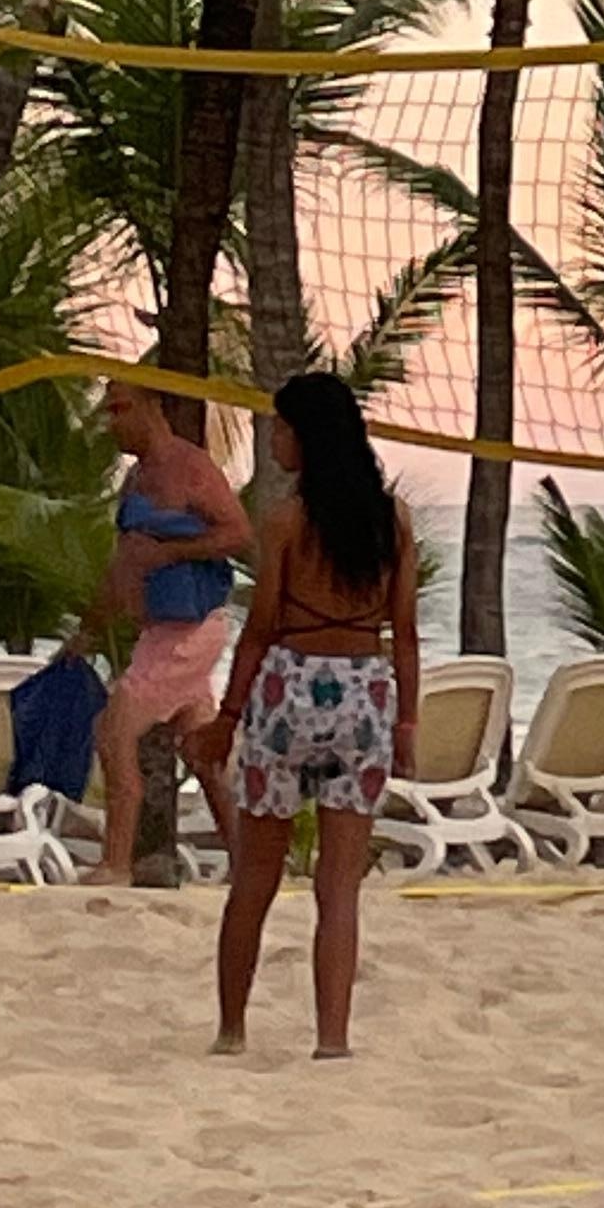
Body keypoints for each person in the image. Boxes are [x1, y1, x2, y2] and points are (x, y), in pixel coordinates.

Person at [201, 372, 420, 1057]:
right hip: (364, 695)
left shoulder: (286, 520)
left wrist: (226, 717)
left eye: (282, 430)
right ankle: (332, 1039)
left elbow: (261, 628)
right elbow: (405, 633)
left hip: (290, 690)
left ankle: (232, 1029)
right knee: (340, 886)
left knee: (256, 877)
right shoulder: (392, 520)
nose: (275, 442)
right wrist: (407, 724)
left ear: (307, 437)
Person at [76, 378, 250, 881]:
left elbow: (238, 532)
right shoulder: (136, 479)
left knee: (114, 732)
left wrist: (172, 552)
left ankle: (116, 863)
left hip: (189, 628)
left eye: (120, 409)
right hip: (160, 629)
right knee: (201, 752)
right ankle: (248, 860)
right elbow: (125, 562)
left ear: (151, 407)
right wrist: (89, 629)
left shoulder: (190, 467)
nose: (112, 423)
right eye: (108, 412)